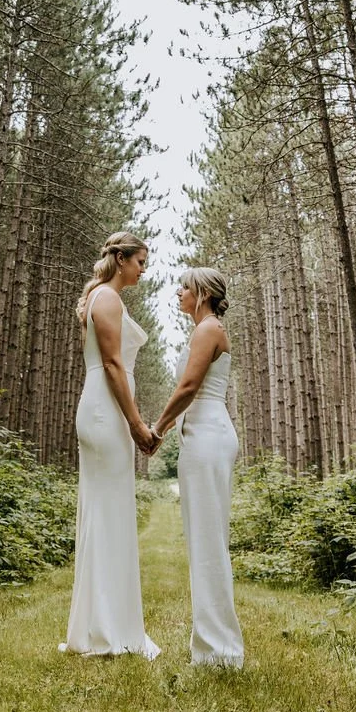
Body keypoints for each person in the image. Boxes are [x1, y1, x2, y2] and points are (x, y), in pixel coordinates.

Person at [61, 231, 160, 658]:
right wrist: (135, 422)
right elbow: (113, 364)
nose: (143, 269)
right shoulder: (107, 299)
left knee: (110, 512)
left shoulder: (105, 297)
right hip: (105, 411)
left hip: (104, 409)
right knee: (105, 513)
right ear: (121, 259)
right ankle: (103, 632)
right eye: (140, 261)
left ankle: (103, 626)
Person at [150, 266, 244, 669]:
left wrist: (155, 430)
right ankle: (210, 646)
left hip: (208, 437)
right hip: (200, 437)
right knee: (202, 541)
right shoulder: (202, 329)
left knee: (208, 543)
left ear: (202, 293)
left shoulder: (208, 330)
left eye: (184, 287)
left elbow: (188, 388)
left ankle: (220, 651)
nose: (177, 292)